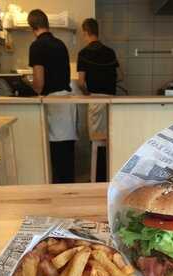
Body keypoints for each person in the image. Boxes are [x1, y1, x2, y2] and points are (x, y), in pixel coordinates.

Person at [27, 9, 77, 183]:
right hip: (67, 99)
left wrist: (30, 87)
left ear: (32, 27)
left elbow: (39, 82)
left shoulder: (36, 46)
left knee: (56, 152)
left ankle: (59, 194)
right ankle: (69, 191)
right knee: (67, 150)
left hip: (54, 101)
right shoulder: (60, 44)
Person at [77, 18, 123, 181]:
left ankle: (97, 178)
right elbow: (121, 76)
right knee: (110, 140)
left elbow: (81, 82)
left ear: (85, 32)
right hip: (112, 101)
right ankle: (109, 176)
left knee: (96, 140)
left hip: (95, 99)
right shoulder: (110, 52)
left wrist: (87, 92)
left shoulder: (83, 53)